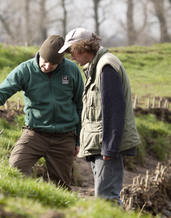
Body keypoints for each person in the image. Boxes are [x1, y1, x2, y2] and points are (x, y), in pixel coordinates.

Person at [0, 35, 84, 190]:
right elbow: (0, 93)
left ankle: (56, 212)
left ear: (61, 61)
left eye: (52, 64)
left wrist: (78, 139)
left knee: (61, 187)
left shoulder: (71, 70)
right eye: (44, 62)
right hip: (35, 133)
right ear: (39, 54)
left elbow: (80, 105)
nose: (47, 66)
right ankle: (26, 203)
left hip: (64, 136)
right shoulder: (25, 70)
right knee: (15, 167)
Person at [58, 28, 141, 204]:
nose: (71, 58)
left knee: (107, 199)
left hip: (106, 146)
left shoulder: (106, 66)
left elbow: (114, 109)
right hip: (100, 144)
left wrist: (110, 147)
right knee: (105, 198)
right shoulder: (96, 66)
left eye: (72, 52)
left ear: (83, 47)